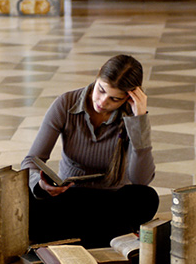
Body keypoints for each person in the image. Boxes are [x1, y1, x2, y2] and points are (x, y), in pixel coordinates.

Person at [21, 54, 159, 248]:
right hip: (68, 198)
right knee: (23, 198)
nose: (102, 102)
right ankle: (101, 238)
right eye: (100, 90)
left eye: (114, 99)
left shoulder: (132, 117)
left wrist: (139, 121)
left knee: (146, 198)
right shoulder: (66, 103)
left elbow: (141, 179)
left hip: (110, 201)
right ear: (97, 78)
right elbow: (31, 160)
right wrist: (41, 185)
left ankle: (63, 236)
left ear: (128, 98)